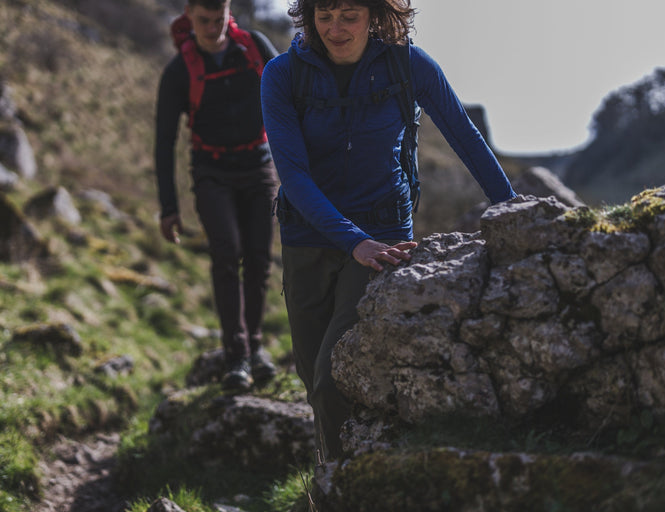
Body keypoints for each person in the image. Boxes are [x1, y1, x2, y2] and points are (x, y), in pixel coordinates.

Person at [260, 0, 516, 462]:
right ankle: (334, 476)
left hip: (384, 239)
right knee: (312, 381)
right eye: (324, 15)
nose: (335, 28)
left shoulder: (409, 65)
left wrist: (517, 214)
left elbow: (465, 138)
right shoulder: (282, 75)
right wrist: (350, 240)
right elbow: (293, 176)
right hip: (307, 237)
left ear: (375, 14)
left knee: (330, 375)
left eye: (349, 15)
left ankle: (345, 486)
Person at [154, 0, 280, 391]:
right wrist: (169, 208)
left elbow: (291, 94)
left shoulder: (254, 47)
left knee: (258, 259)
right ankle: (236, 356)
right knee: (226, 253)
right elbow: (163, 142)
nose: (212, 28)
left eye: (219, 19)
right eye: (204, 21)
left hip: (259, 166)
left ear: (230, 13)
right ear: (188, 15)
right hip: (212, 172)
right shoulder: (178, 71)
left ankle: (256, 348)